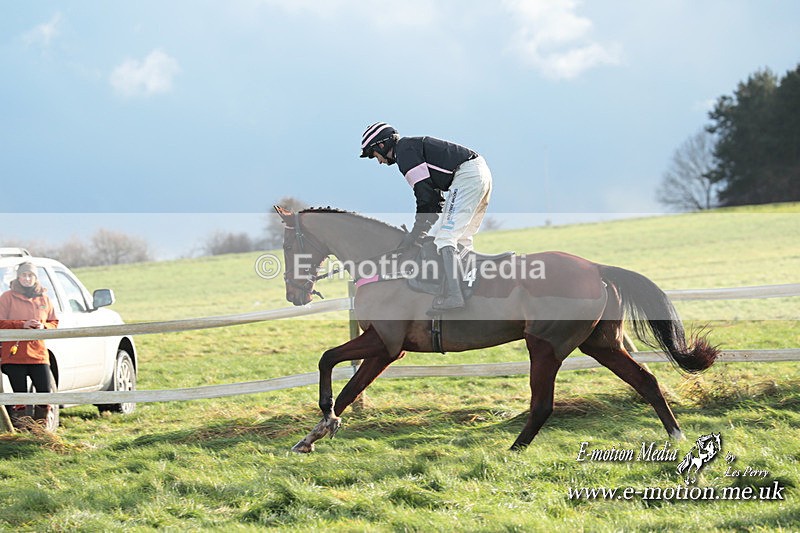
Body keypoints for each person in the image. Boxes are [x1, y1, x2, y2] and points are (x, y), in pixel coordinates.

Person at [360, 122, 493, 311]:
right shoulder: (409, 148)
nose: (379, 161)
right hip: (479, 174)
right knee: (461, 239)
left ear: (382, 145)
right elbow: (434, 200)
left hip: (467, 177)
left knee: (445, 238)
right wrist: (419, 232)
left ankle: (455, 296)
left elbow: (425, 197)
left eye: (375, 155)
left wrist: (416, 234)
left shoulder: (405, 153)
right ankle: (467, 290)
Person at [0, 262, 58, 426]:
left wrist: (43, 326)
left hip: (39, 354)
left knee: (45, 394)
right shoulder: (7, 297)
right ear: (18, 277)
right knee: (20, 396)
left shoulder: (44, 299)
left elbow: (54, 322)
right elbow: (0, 322)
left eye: (30, 275)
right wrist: (21, 324)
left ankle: (40, 431)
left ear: (35, 278)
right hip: (14, 355)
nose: (27, 278)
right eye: (23, 275)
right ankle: (22, 431)